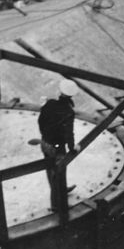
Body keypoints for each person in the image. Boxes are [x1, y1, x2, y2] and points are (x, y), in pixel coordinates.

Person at [38, 79, 78, 210]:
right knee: (59, 173)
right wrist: (73, 147)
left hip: (45, 143)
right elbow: (69, 133)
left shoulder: (49, 104)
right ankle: (57, 205)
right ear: (71, 95)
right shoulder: (68, 111)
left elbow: (40, 121)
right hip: (57, 147)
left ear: (60, 92)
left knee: (50, 171)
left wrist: (45, 136)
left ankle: (61, 192)